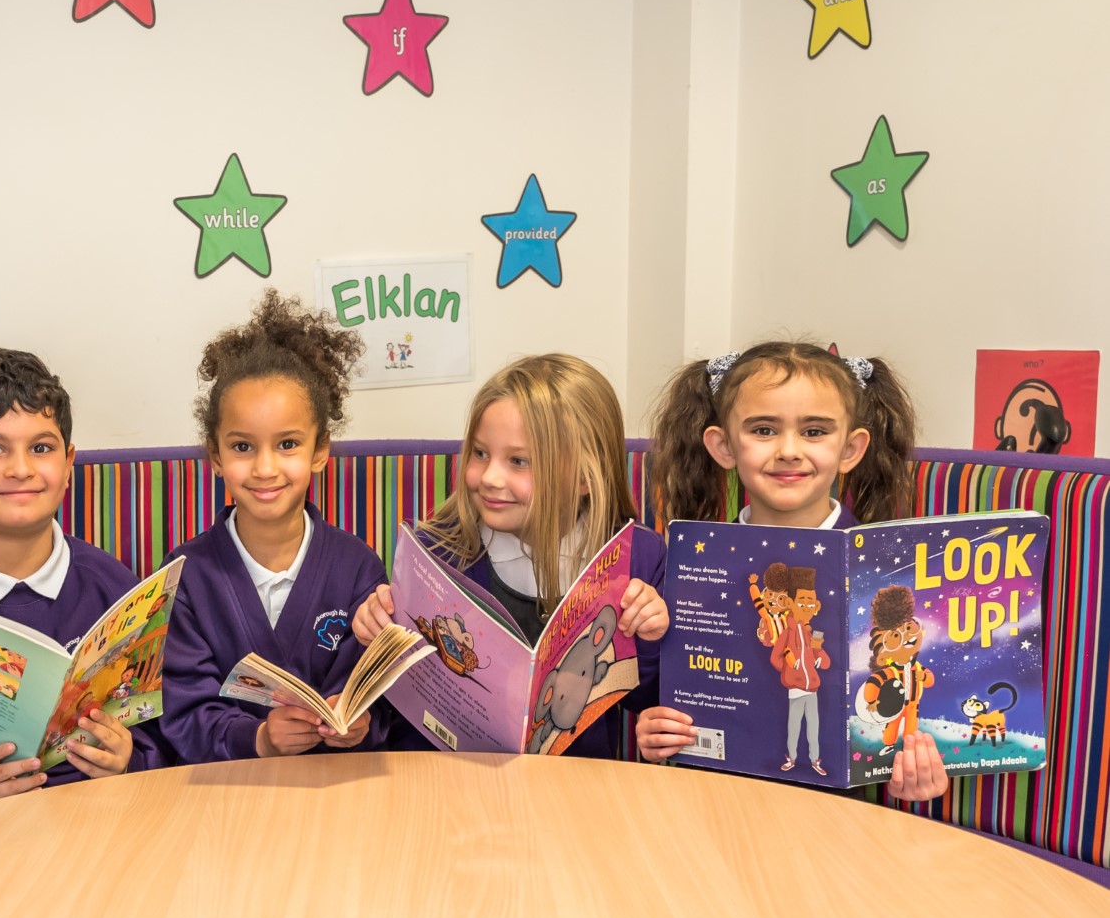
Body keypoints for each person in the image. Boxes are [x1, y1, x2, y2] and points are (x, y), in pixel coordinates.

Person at [638, 341, 947, 800]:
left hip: (831, 816)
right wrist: (656, 725)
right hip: (709, 801)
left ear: (850, 448)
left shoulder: (886, 571)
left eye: (814, 431)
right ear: (723, 445)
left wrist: (919, 774)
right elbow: (665, 691)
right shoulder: (697, 562)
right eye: (763, 430)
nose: (788, 451)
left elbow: (908, 702)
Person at [0, 349, 165, 818]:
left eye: (41, 448)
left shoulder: (117, 589)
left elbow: (160, 738)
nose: (20, 469)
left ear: (69, 463)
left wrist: (129, 761)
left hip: (100, 826)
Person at [353, 354, 670, 758]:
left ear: (584, 478)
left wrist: (650, 638)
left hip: (575, 784)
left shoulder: (636, 557)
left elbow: (651, 702)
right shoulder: (436, 551)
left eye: (519, 461)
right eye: (480, 453)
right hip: (443, 778)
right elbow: (392, 708)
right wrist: (375, 638)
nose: (489, 478)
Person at [161, 289, 404, 762]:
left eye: (288, 444)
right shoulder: (185, 575)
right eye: (243, 447)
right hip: (226, 795)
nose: (265, 468)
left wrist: (359, 726)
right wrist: (258, 739)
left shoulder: (358, 567)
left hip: (338, 790)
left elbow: (382, 694)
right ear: (215, 456)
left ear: (320, 451)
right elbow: (183, 711)